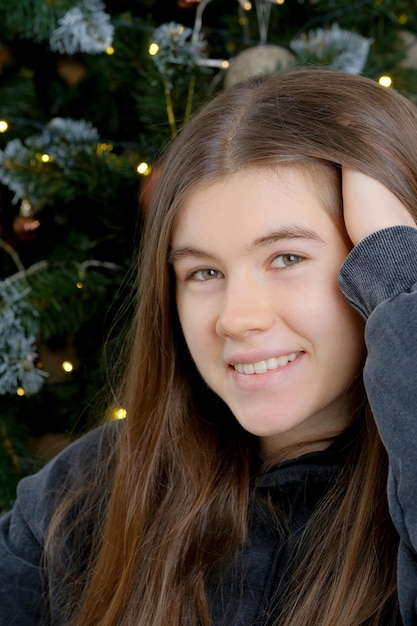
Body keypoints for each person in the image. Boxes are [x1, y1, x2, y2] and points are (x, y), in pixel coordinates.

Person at [1, 66, 417, 626]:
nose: (235, 319)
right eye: (203, 273)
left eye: (287, 258)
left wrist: (401, 273)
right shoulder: (83, 493)